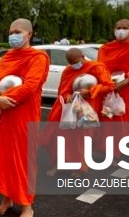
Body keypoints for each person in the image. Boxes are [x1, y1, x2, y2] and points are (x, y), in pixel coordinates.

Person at [0, 18, 50, 217]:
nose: (13, 36)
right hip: (2, 117)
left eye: (17, 32)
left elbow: (30, 86)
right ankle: (6, 197)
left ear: (29, 34)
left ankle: (26, 204)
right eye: (10, 32)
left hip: (23, 115)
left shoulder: (38, 57)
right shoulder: (7, 57)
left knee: (22, 159)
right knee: (3, 158)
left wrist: (2, 103)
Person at [42, 47, 113, 176]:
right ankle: (58, 164)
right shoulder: (68, 70)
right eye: (71, 63)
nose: (74, 65)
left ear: (82, 57)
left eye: (76, 62)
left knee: (83, 137)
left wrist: (90, 92)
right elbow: (62, 89)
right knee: (62, 136)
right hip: (70, 107)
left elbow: (108, 85)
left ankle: (79, 168)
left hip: (88, 107)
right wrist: (67, 95)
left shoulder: (96, 67)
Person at [96, 19, 129, 155]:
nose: (121, 31)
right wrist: (109, 82)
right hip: (107, 87)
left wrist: (126, 81)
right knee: (105, 117)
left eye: (125, 28)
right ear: (114, 30)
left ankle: (116, 151)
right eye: (118, 28)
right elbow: (100, 67)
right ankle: (103, 148)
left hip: (125, 88)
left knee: (120, 118)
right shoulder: (105, 48)